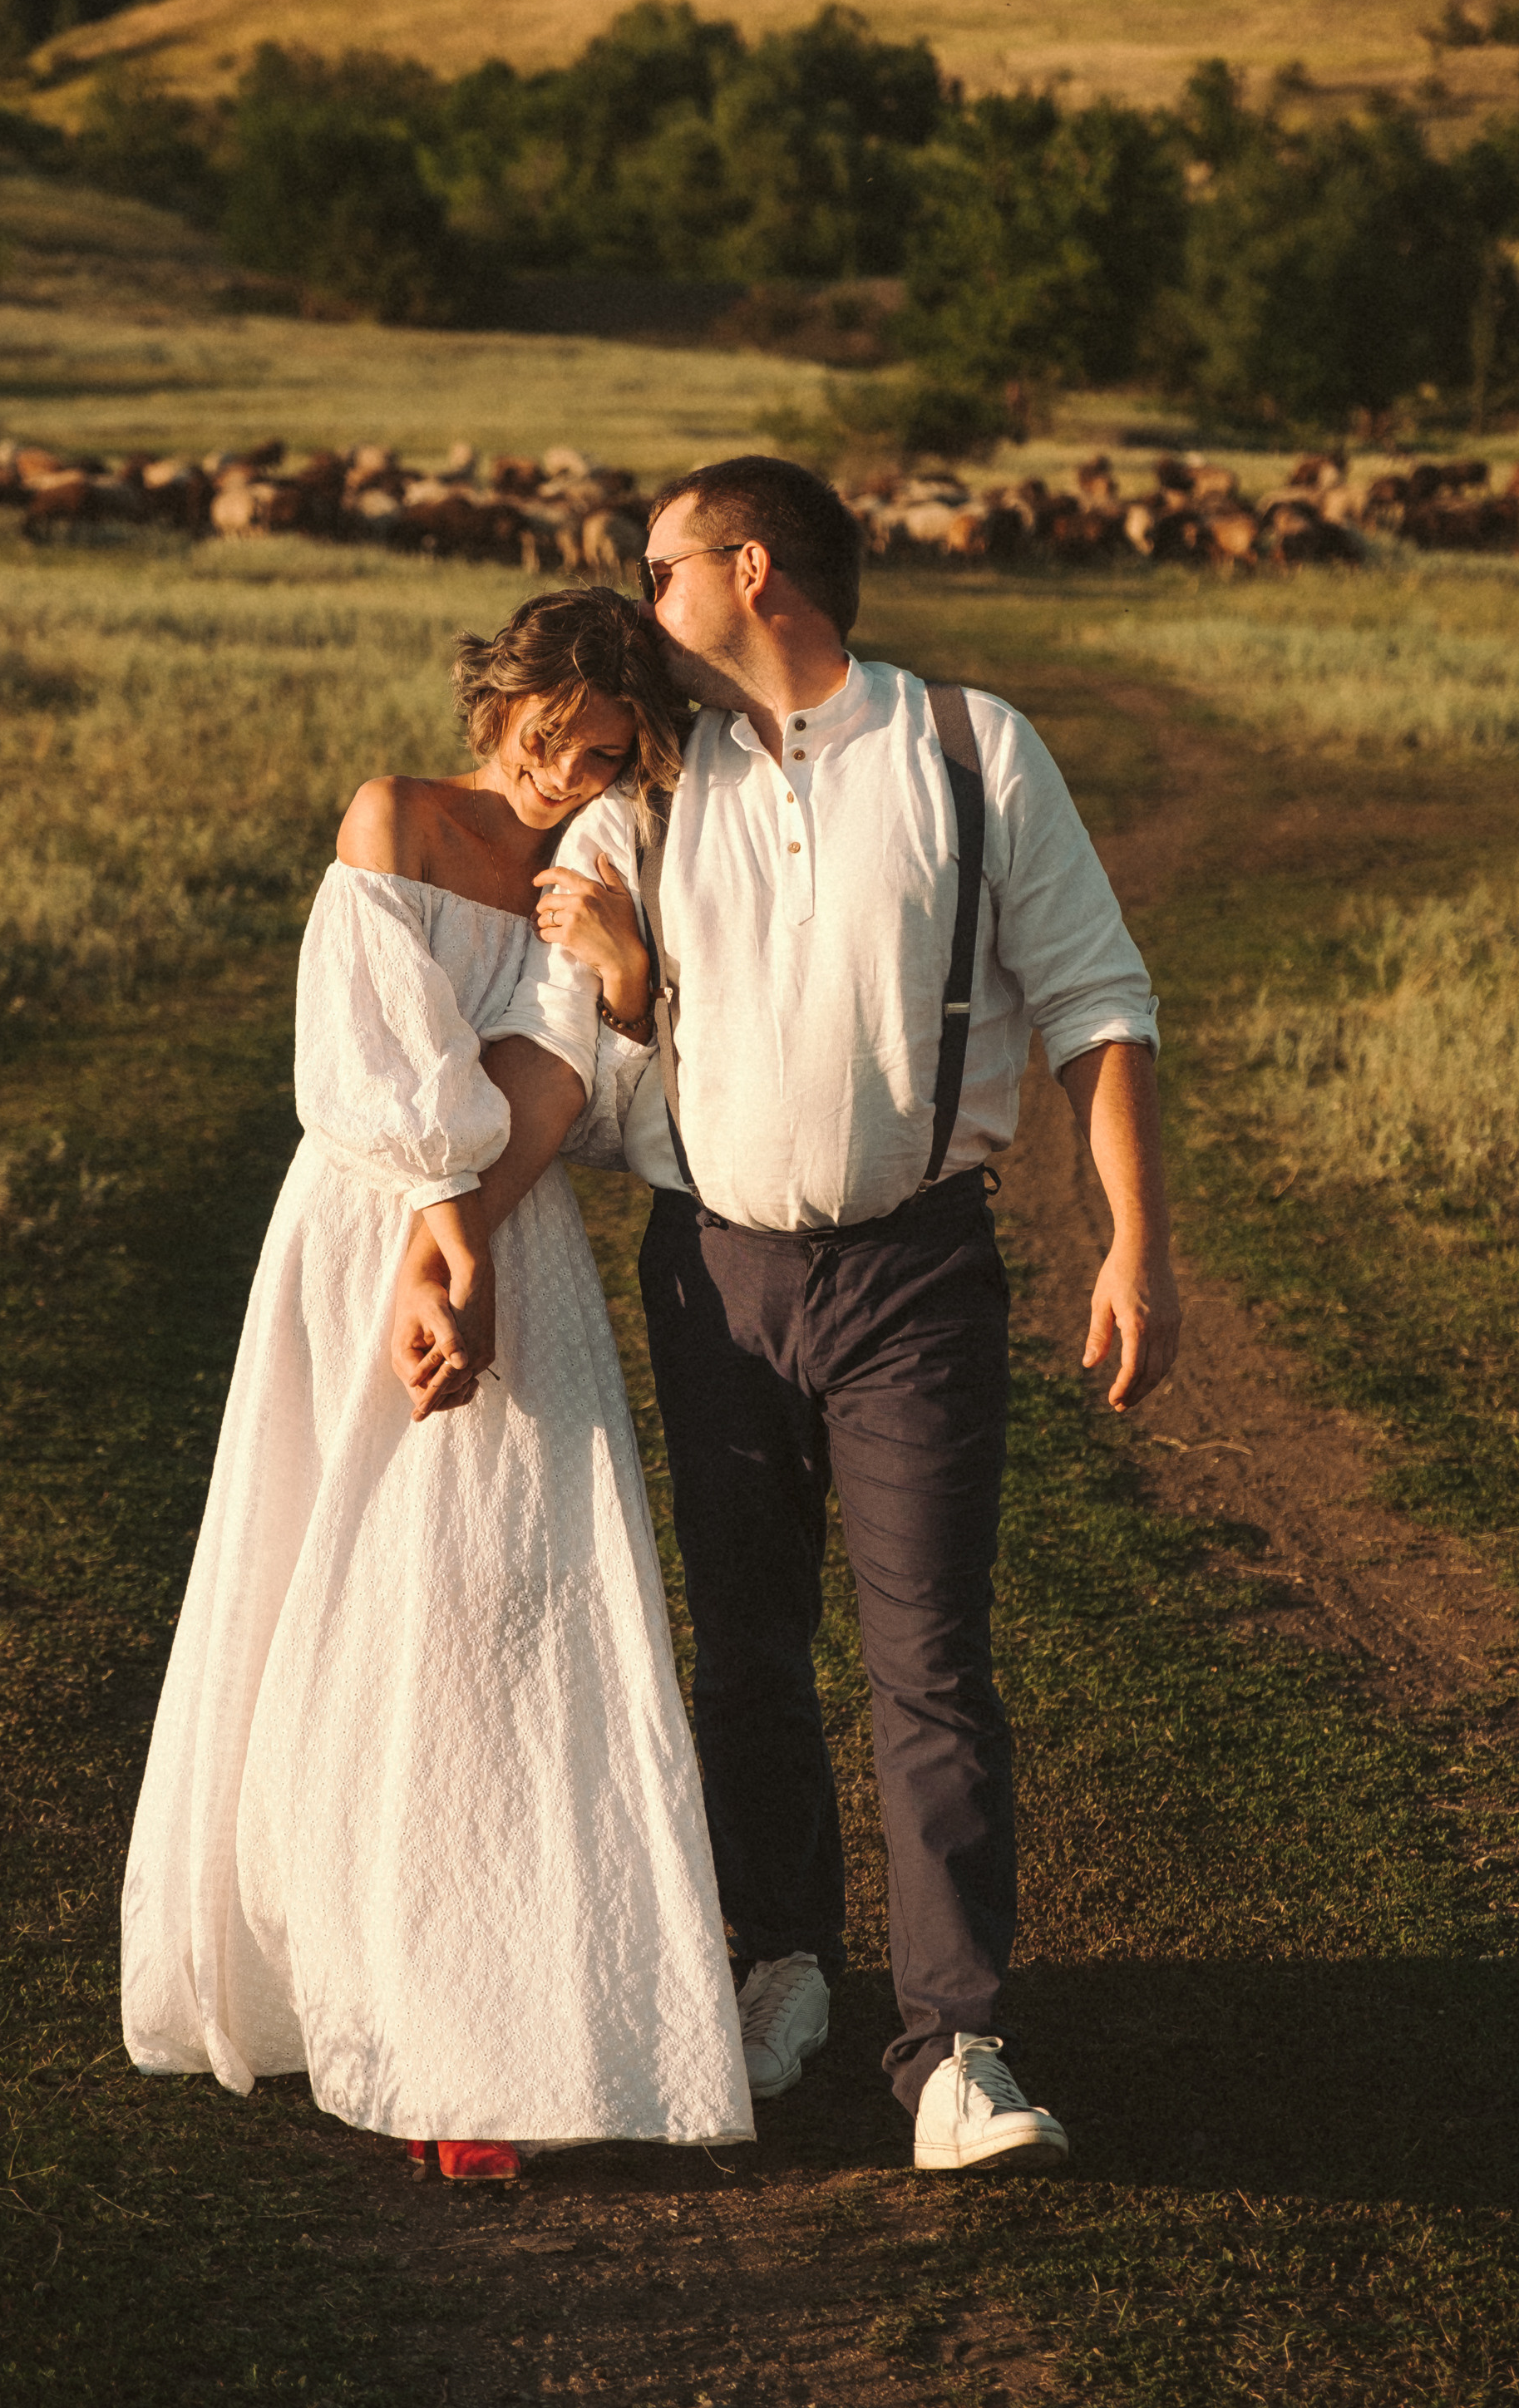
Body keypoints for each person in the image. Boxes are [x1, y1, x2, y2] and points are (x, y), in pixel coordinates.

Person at [403, 457, 1181, 2176]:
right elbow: (547, 1048)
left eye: (658, 566)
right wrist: (441, 1230)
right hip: (715, 1270)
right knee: (747, 1649)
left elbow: (1095, 998)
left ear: (751, 572)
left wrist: (1135, 1240)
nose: (640, 601)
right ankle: (779, 1967)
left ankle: (957, 2048)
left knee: (929, 1662)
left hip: (919, 1270)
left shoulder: (973, 751)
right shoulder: (640, 802)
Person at [121, 588, 753, 2184]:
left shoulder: (595, 858)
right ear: (504, 704)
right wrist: (423, 1243)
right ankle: (369, 1998)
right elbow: (371, 1067)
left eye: (608, 755)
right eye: (557, 742)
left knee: (510, 1605)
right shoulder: (394, 817)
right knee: (341, 1578)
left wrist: (475, 1243)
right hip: (357, 1237)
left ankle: (507, 2016)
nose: (572, 776)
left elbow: (552, 1081)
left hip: (505, 1247)